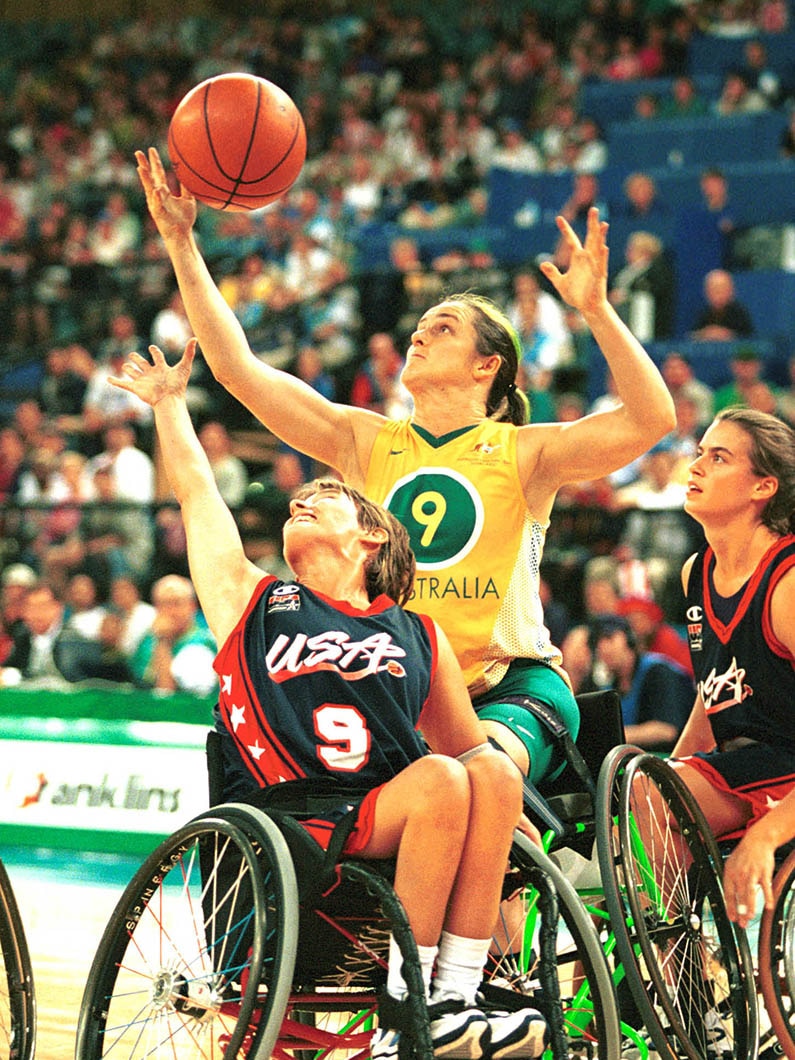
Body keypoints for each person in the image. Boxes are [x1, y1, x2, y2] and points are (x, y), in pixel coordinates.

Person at [136, 146, 676, 788]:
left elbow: (652, 420)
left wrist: (597, 311)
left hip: (508, 685)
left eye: (442, 328)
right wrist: (181, 243)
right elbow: (237, 371)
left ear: (488, 366)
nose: (418, 335)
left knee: (475, 782)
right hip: (398, 686)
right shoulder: (365, 440)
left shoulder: (527, 452)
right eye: (418, 327)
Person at [110, 340, 548, 1060]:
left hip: (385, 814)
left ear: (372, 535)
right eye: (296, 500)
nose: (303, 499)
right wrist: (167, 407)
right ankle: (406, 1011)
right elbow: (197, 494)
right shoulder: (254, 601)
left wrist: (512, 826)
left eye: (326, 497)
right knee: (442, 778)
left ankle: (450, 997)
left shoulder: (418, 632)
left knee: (493, 771)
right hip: (295, 819)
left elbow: (469, 745)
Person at [668, 407, 795, 929]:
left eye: (718, 458)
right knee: (638, 791)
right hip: (748, 767)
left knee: (656, 797)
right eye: (699, 453)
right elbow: (714, 689)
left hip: (787, 766)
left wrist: (767, 833)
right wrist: (657, 770)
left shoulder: (786, 584)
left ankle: (671, 992)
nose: (696, 465)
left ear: (763, 486)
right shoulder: (696, 574)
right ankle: (682, 976)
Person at [590, 613, 694, 752]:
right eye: (597, 643)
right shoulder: (609, 685)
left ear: (629, 639)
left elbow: (667, 730)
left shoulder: (658, 671)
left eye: (609, 638)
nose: (603, 648)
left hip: (677, 759)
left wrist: (611, 738)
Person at [130, 573, 218, 697]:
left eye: (176, 603)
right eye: (163, 604)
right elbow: (138, 682)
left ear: (192, 606)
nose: (169, 611)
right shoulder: (148, 640)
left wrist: (163, 642)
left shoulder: (204, 644)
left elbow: (167, 694)